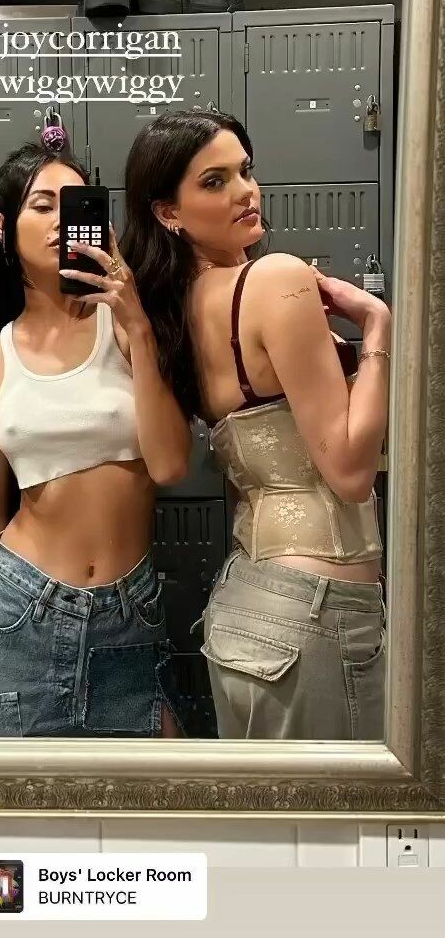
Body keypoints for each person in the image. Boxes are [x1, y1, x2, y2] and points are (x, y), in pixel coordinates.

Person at [120, 110, 390, 741]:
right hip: (316, 608)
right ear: (168, 212)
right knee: (339, 806)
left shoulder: (176, 310)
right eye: (214, 181)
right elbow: (350, 471)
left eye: (245, 171)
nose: (245, 191)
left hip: (248, 608)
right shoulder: (275, 279)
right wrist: (377, 329)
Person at [0, 135, 191, 738]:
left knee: (152, 794)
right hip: (18, 611)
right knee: (13, 798)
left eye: (74, 206)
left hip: (130, 618)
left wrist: (138, 325)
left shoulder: (126, 329)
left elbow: (172, 465)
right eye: (42, 204)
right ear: (4, 227)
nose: (59, 220)